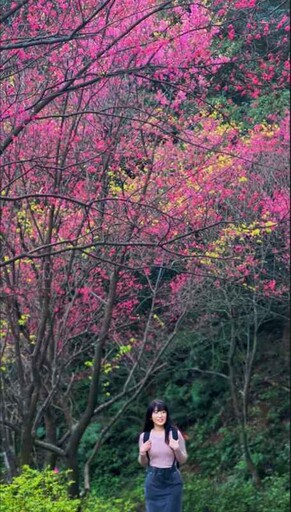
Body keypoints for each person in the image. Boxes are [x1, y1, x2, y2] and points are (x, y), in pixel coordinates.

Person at [138, 399, 188, 512]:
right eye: (156, 412)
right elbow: (143, 463)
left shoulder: (175, 434)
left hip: (172, 481)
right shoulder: (145, 437)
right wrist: (142, 453)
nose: (160, 416)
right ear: (150, 416)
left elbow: (183, 459)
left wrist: (177, 449)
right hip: (153, 482)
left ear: (167, 414)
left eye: (163, 412)